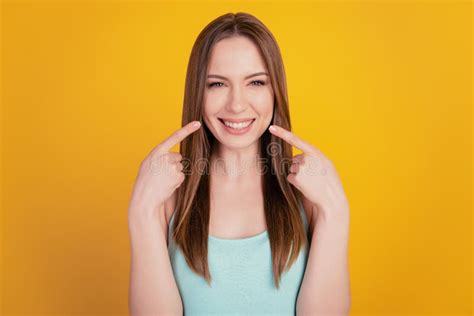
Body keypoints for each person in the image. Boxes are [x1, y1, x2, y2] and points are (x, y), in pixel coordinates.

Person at [128, 12, 351, 316]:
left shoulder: (310, 195)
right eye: (217, 84)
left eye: (256, 82)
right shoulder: (166, 197)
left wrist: (335, 210)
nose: (236, 104)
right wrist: (141, 211)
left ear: (276, 92)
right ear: (198, 93)